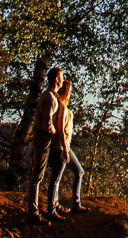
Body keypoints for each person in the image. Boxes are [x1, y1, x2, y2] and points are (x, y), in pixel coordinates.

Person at [29, 65, 67, 219]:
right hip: (43, 138)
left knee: (40, 175)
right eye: (61, 78)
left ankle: (47, 208)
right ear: (56, 80)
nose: (63, 81)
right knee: (37, 176)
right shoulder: (51, 98)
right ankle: (34, 213)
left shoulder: (49, 96)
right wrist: (57, 134)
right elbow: (47, 124)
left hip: (43, 137)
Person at [49, 77, 88, 215]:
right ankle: (54, 207)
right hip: (61, 146)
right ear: (66, 91)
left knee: (78, 171)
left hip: (65, 145)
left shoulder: (63, 107)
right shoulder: (62, 108)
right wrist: (65, 149)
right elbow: (59, 128)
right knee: (57, 177)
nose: (71, 94)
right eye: (70, 91)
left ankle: (74, 204)